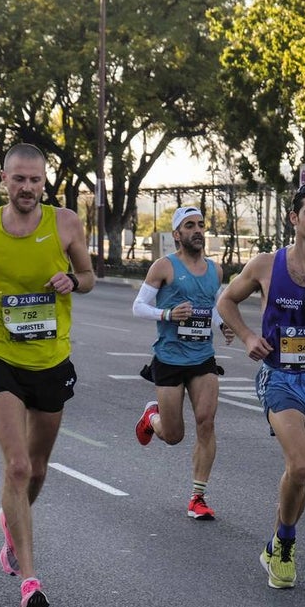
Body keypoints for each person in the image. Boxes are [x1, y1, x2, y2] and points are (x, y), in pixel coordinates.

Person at [0, 143, 94, 607]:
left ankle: (12, 519)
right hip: (1, 356)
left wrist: (73, 279)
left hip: (52, 360)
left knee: (37, 470)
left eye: (34, 180)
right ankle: (29, 580)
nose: (26, 187)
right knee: (15, 467)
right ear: (4, 179)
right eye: (18, 179)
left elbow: (91, 276)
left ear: (43, 182)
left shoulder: (67, 223)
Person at [216, 182, 305, 589]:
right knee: (300, 464)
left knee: (303, 473)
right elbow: (226, 302)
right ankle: (284, 544)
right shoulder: (266, 264)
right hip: (280, 377)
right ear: (294, 218)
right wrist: (247, 336)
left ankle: (280, 539)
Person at [132, 205, 234, 520]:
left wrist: (223, 324)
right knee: (174, 435)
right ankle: (153, 418)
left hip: (202, 356)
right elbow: (138, 306)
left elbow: (212, 306)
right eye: (189, 225)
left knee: (206, 422)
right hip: (169, 357)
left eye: (201, 224)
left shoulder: (215, 270)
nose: (197, 230)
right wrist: (167, 314)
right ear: (177, 234)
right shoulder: (165, 267)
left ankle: (198, 497)